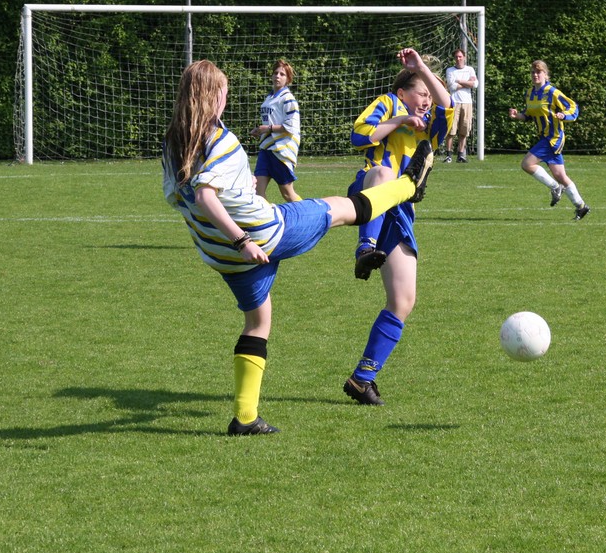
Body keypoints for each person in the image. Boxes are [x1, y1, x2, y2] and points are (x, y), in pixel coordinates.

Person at [162, 59, 435, 435]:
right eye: (224, 91)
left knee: (258, 322)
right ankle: (408, 186)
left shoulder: (173, 143)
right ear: (215, 96)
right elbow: (206, 196)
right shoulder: (219, 140)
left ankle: (245, 418)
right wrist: (242, 239)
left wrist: (231, 218)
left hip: (221, 256)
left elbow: (181, 198)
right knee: (340, 209)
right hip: (264, 233)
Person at [344, 49, 452, 406]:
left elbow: (448, 104)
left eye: (429, 94)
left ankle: (362, 379)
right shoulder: (390, 103)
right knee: (384, 173)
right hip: (370, 191)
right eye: (421, 93)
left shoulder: (430, 126)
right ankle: (365, 247)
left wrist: (422, 68)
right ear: (403, 92)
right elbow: (360, 135)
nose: (427, 100)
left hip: (401, 211)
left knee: (403, 301)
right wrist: (402, 119)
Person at [508, 60, 590, 220]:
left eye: (539, 72)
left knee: (527, 164)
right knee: (560, 175)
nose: (535, 75)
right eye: (533, 72)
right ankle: (581, 206)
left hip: (553, 137)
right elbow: (529, 115)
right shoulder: (529, 93)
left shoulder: (552, 92)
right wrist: (517, 115)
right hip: (545, 137)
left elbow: (573, 107)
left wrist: (564, 115)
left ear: (546, 75)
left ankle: (555, 187)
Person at [249, 59, 302, 202]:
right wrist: (259, 130)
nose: (277, 76)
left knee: (287, 194)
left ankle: (309, 213)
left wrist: (267, 129)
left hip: (280, 151)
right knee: (257, 192)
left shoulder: (288, 99)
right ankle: (267, 217)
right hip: (266, 150)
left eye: (282, 74)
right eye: (275, 73)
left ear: (288, 79)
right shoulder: (269, 97)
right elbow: (270, 122)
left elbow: (291, 127)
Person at [444, 48, 477, 163]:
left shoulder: (470, 69)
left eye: (460, 56)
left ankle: (461, 155)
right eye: (456, 57)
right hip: (454, 102)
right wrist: (468, 83)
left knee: (464, 130)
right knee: (451, 130)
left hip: (467, 103)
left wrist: (459, 81)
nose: (458, 59)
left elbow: (475, 84)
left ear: (464, 57)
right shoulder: (450, 70)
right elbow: (452, 86)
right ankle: (448, 155)